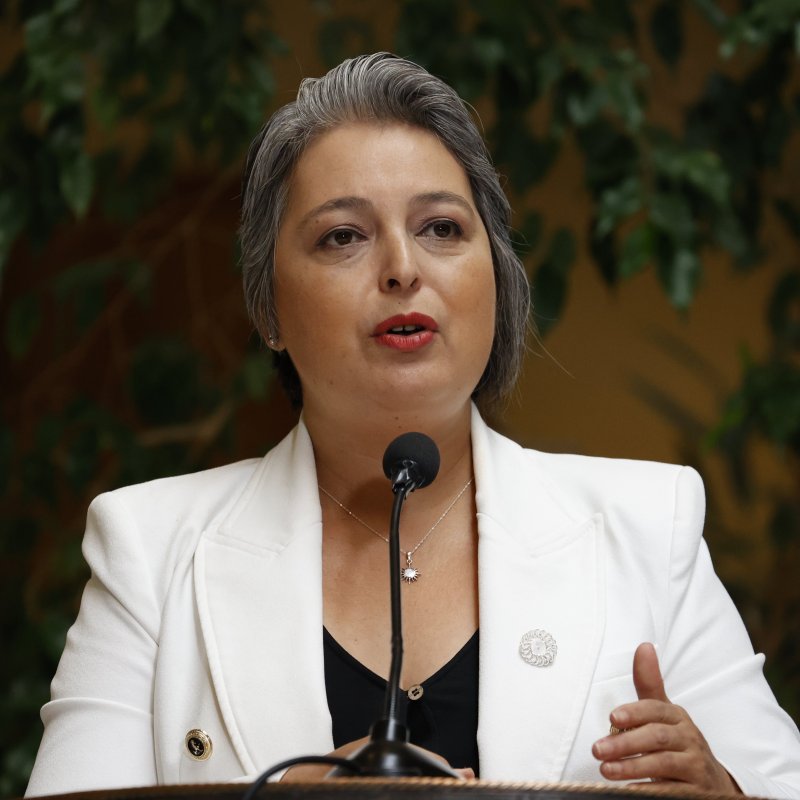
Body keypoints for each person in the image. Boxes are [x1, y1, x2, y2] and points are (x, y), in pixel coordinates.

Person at [26, 52, 800, 798]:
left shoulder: (647, 528)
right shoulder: (150, 552)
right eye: (343, 236)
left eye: (442, 229)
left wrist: (722, 792)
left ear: (495, 275)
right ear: (269, 308)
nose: (402, 267)